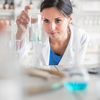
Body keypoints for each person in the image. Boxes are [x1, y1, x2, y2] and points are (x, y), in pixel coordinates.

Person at [16, 0, 89, 66]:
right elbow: (17, 58)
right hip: (39, 78)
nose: (51, 28)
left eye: (58, 21)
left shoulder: (81, 37)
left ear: (70, 19)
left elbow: (76, 70)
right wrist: (21, 32)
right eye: (46, 21)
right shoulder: (37, 32)